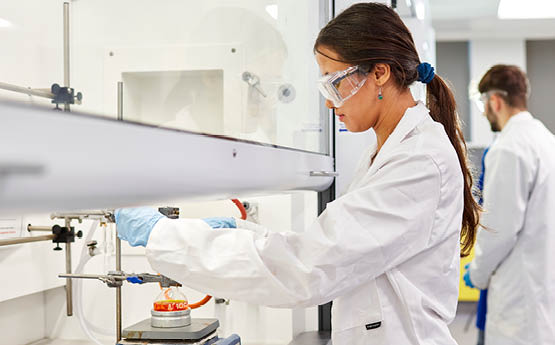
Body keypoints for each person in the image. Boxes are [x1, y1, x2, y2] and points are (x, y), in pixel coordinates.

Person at [115, 3, 480, 344]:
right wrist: (240, 231)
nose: (328, 100)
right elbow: (330, 246)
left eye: (334, 82)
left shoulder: (417, 162)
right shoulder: (386, 152)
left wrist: (161, 236)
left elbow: (309, 267)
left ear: (380, 73)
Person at [463, 64, 555, 345]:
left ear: (495, 101)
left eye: (483, 104)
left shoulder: (508, 148)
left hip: (517, 295)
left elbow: (499, 231)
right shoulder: (547, 141)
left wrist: (477, 273)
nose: (484, 112)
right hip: (542, 284)